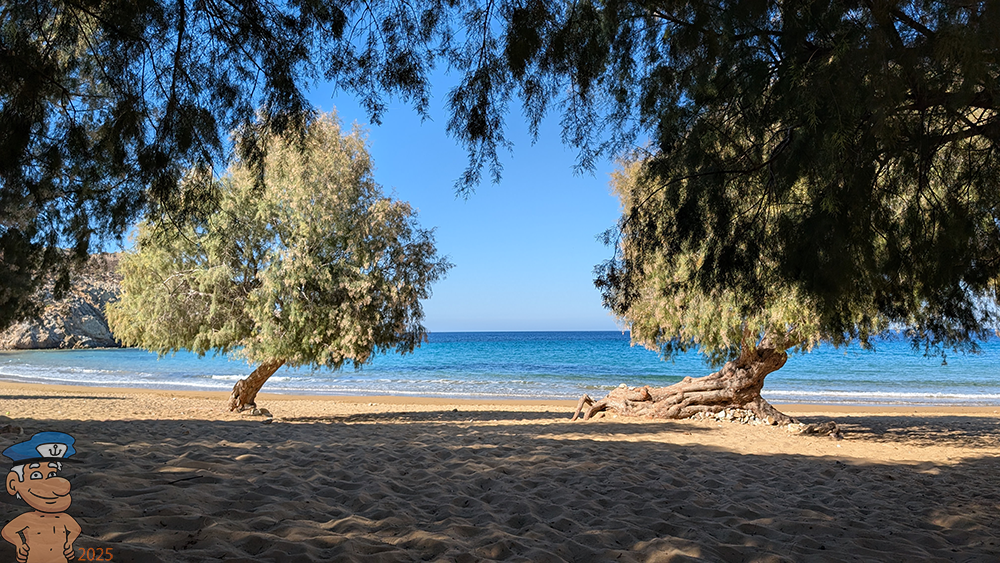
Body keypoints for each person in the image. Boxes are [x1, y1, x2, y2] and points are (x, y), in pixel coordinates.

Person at [2, 432, 81, 563]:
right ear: (13, 483)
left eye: (52, 474)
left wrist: (69, 542)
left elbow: (76, 529)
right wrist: (19, 544)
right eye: (36, 475)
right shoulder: (28, 518)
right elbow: (8, 531)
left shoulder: (64, 518)